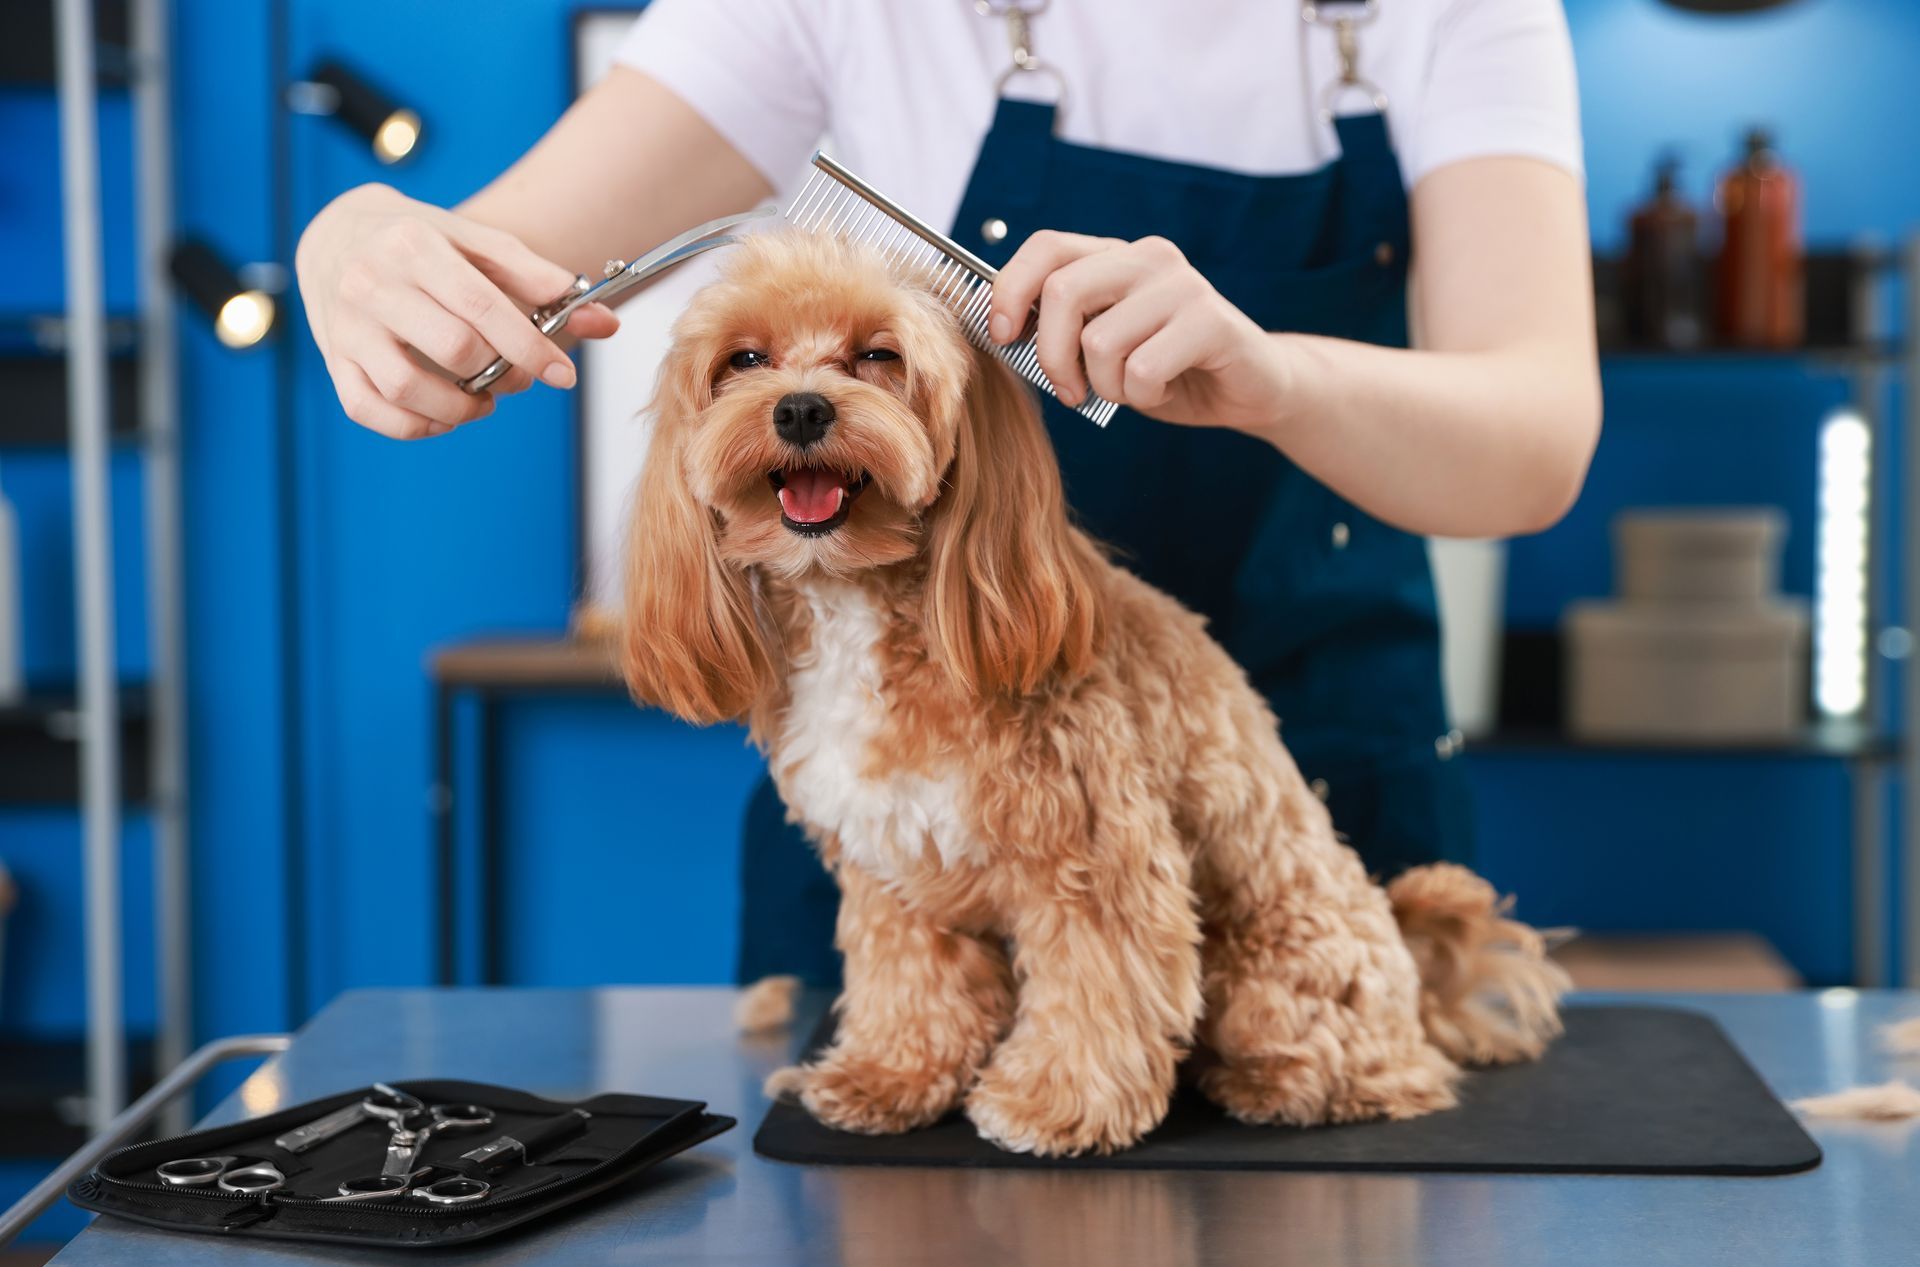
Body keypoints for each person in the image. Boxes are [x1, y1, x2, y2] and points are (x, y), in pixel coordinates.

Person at [296, 1, 1600, 986]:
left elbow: (1537, 441)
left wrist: (1276, 380)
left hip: (1316, 799)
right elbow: (483, 305)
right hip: (905, 847)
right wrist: (354, 241)